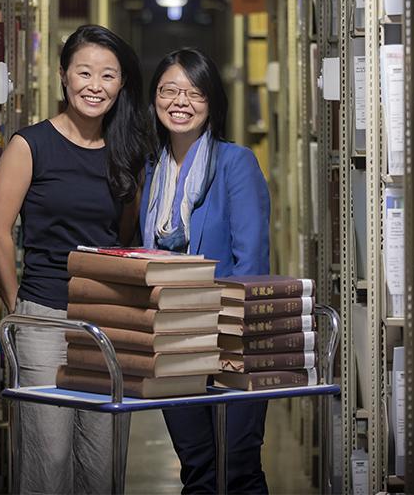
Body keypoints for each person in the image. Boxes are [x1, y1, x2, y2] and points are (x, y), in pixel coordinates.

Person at [0, 24, 152, 493]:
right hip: (44, 320)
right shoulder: (29, 145)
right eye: (84, 72)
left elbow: (124, 236)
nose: (95, 86)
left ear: (121, 85)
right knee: (48, 458)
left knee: (102, 460)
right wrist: (21, 306)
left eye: (108, 76)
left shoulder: (127, 153)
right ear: (63, 77)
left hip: (106, 322)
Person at [141, 48, 271, 494]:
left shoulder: (237, 163)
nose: (181, 101)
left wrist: (230, 341)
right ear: (154, 99)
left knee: (238, 468)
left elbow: (251, 262)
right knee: (196, 467)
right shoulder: (151, 170)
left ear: (212, 102)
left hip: (231, 338)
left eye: (194, 93)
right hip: (172, 342)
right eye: (169, 90)